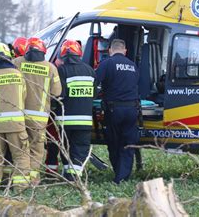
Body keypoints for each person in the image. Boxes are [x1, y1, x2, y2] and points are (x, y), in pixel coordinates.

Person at [13, 37, 62, 184]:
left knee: (20, 148)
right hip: (39, 118)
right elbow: (57, 92)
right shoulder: (51, 68)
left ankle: (19, 179)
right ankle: (33, 180)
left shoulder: (17, 63)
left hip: (19, 114)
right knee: (36, 150)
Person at [0, 42, 29, 191]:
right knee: (20, 156)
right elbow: (24, 96)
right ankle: (20, 188)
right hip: (16, 125)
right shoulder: (18, 75)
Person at [95, 39, 140, 184]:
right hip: (133, 109)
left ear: (110, 50)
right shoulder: (133, 66)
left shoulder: (107, 64)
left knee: (114, 142)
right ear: (125, 50)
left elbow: (95, 82)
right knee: (128, 143)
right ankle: (123, 176)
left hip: (114, 110)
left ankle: (119, 175)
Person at [56, 40, 97, 181]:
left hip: (65, 121)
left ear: (63, 55)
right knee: (80, 149)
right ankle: (75, 176)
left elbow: (59, 94)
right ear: (79, 53)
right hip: (84, 121)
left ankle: (69, 175)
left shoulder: (61, 70)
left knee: (65, 148)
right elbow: (95, 94)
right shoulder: (90, 71)